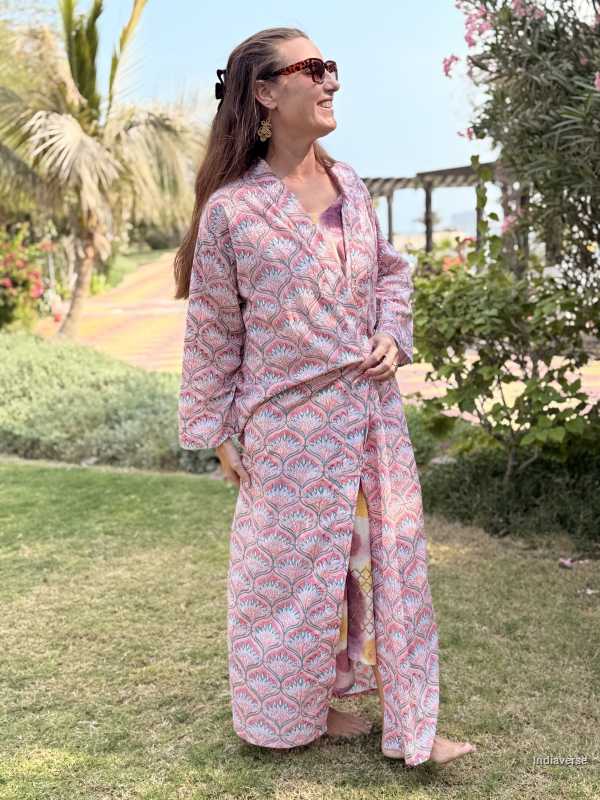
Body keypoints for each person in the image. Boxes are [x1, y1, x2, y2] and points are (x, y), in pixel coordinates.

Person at [174, 26, 476, 768]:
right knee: (287, 580)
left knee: (393, 565)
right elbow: (213, 329)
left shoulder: (352, 187)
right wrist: (219, 435)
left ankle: (413, 726)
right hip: (286, 428)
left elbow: (392, 274)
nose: (331, 80)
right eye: (312, 69)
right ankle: (291, 715)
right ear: (265, 93)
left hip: (371, 415)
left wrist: (392, 333)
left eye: (330, 66)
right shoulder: (232, 213)